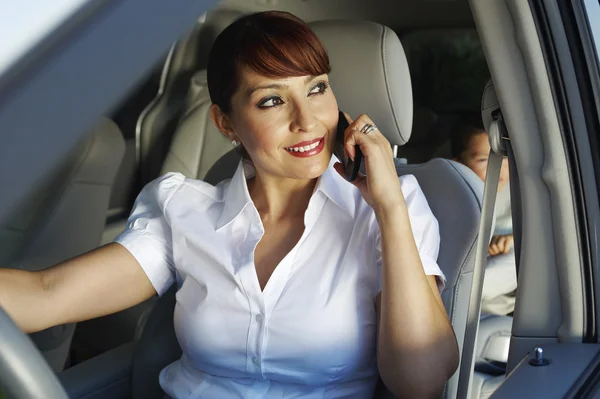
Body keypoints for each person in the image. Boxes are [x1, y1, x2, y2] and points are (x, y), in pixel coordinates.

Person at [0, 11, 458, 399]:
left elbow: (419, 383)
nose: (308, 121)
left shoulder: (393, 209)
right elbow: (46, 295)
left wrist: (389, 208)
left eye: (317, 88)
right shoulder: (182, 211)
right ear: (226, 122)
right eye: (273, 100)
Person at [451, 117, 517, 316]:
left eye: (503, 160)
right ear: (459, 164)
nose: (498, 168)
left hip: (495, 298)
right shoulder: (449, 196)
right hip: (460, 272)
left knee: (524, 254)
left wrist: (511, 240)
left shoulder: (519, 194)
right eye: (483, 160)